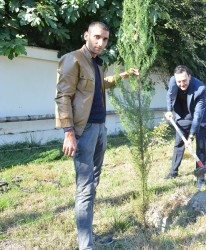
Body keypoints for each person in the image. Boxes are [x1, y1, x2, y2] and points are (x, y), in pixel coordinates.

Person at [55, 22, 139, 249]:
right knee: (84, 189)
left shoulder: (96, 64)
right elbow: (62, 97)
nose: (100, 43)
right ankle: (86, 245)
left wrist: (123, 75)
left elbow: (100, 85)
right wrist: (68, 132)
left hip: (100, 129)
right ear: (86, 36)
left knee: (93, 186)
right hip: (84, 132)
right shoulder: (72, 59)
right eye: (96, 37)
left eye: (104, 39)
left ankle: (88, 234)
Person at [164, 65, 206, 190]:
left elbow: (197, 116)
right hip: (184, 115)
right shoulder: (173, 81)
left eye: (184, 80)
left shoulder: (200, 89)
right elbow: (170, 95)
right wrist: (169, 110)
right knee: (178, 144)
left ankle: (200, 178)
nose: (181, 84)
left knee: (201, 146)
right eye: (179, 81)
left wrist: (191, 137)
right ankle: (173, 172)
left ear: (189, 77)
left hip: (201, 117)